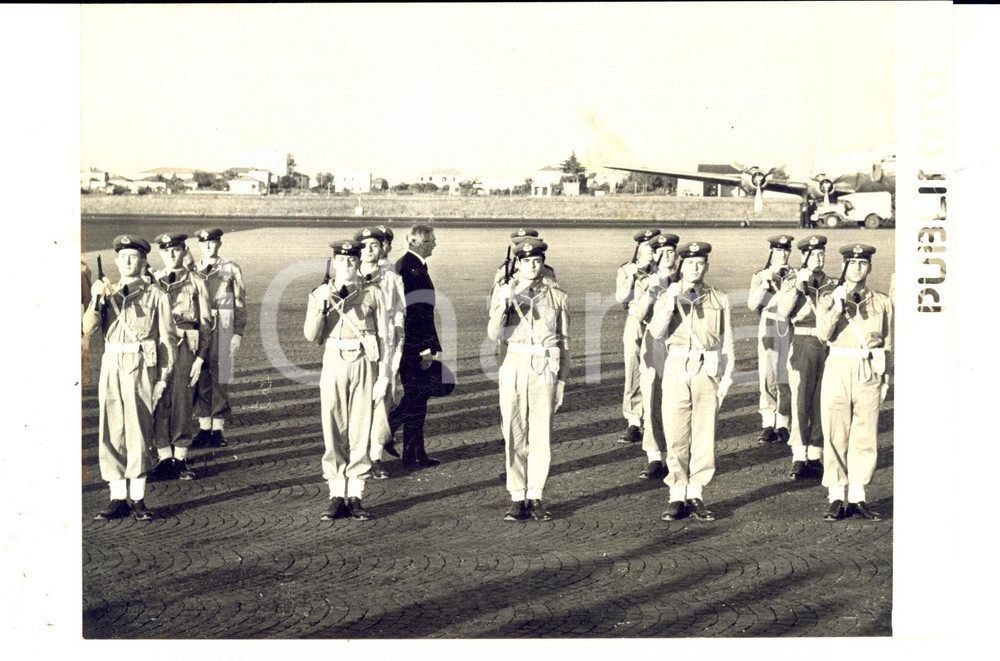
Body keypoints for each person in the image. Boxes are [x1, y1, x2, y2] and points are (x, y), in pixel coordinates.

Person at [83, 235, 176, 521]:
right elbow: (87, 329)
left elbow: (168, 342)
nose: (127, 261)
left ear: (144, 261)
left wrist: (162, 379)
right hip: (112, 364)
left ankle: (137, 498)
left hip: (141, 368)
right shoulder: (107, 294)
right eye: (122, 256)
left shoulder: (156, 295)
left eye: (133, 256)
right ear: (115, 261)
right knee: (111, 429)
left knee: (138, 429)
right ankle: (117, 497)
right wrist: (95, 299)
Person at [304, 239, 390, 521]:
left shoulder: (373, 293)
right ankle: (336, 494)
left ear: (358, 261)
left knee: (360, 428)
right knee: (333, 426)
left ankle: (356, 495)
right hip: (333, 362)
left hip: (364, 362)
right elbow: (310, 335)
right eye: (342, 260)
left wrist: (385, 376)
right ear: (334, 262)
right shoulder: (320, 293)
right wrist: (321, 306)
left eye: (353, 259)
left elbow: (385, 339)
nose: (348, 264)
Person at [648, 242, 734, 522]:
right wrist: (670, 302)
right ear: (680, 266)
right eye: (690, 263)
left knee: (704, 434)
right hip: (676, 364)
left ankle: (696, 492)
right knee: (676, 433)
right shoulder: (667, 295)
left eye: (700, 263)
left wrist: (727, 376)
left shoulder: (718, 298)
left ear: (706, 266)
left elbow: (726, 340)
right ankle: (677, 494)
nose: (695, 268)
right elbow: (657, 332)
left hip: (706, 368)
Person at [487, 238, 569, 521]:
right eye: (527, 262)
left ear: (543, 263)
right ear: (518, 264)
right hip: (514, 362)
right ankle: (517, 496)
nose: (533, 266)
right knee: (514, 431)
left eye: (538, 261)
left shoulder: (557, 296)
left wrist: (562, 381)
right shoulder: (505, 292)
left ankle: (536, 495)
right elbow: (494, 334)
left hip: (545, 366)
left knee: (541, 434)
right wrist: (504, 303)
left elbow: (565, 342)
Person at [815, 244, 893, 521]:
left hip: (868, 369)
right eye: (852, 263)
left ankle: (858, 495)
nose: (857, 268)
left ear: (870, 267)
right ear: (844, 267)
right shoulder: (828, 297)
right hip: (838, 364)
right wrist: (837, 306)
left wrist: (885, 377)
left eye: (862, 263)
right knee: (836, 430)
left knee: (865, 432)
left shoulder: (881, 301)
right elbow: (822, 334)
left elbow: (887, 341)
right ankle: (836, 496)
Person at [148, 233, 213, 481]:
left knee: (183, 401)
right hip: (161, 348)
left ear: (184, 251)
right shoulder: (154, 282)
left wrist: (200, 358)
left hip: (187, 347)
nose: (172, 255)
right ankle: (164, 458)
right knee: (159, 399)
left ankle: (181, 458)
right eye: (166, 251)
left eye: (176, 250)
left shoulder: (196, 282)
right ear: (161, 254)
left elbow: (206, 323)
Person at [777, 235, 836, 480]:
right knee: (800, 397)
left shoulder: (832, 282)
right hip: (802, 340)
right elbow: (783, 311)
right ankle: (799, 455)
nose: (818, 259)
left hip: (828, 343)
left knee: (822, 398)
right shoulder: (791, 281)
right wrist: (797, 287)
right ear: (803, 257)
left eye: (822, 254)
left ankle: (815, 454)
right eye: (813, 255)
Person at [386, 224, 444, 469]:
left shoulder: (413, 265)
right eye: (431, 240)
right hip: (413, 346)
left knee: (417, 400)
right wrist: (425, 349)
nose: (435, 244)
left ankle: (413, 453)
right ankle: (390, 428)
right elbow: (414, 313)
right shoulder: (410, 268)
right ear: (417, 241)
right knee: (416, 399)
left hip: (412, 344)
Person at [356, 227, 406, 480]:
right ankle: (357, 455)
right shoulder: (350, 276)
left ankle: (375, 456)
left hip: (384, 346)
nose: (369, 250)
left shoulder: (391, 277)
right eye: (365, 245)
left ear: (382, 248)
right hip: (358, 348)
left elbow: (399, 314)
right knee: (358, 401)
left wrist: (397, 348)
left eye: (375, 245)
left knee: (382, 401)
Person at [191, 228, 246, 448]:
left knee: (221, 378)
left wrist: (237, 333)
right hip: (201, 329)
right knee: (202, 378)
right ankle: (204, 428)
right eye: (204, 243)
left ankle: (218, 430)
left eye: (212, 243)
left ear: (219, 244)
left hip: (223, 328)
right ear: (200, 246)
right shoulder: (193, 270)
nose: (208, 247)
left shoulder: (231, 269)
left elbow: (240, 302)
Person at [636, 233, 680, 479]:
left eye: (671, 252)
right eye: (661, 253)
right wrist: (651, 291)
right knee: (652, 396)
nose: (666, 257)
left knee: (677, 398)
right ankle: (654, 456)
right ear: (653, 255)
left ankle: (677, 452)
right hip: (654, 340)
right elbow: (638, 315)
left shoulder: (685, 278)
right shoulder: (645, 280)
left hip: (679, 342)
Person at [614, 228, 661, 444]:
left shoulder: (664, 269)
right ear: (638, 248)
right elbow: (621, 298)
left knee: (658, 370)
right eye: (646, 246)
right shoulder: (626, 269)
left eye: (654, 246)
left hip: (659, 321)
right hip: (635, 320)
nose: (651, 250)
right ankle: (634, 421)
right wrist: (631, 277)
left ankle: (656, 419)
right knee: (633, 368)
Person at [747, 235, 795, 445]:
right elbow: (752, 304)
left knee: (786, 373)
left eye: (786, 250)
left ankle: (783, 422)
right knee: (768, 374)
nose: (783, 254)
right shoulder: (760, 275)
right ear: (771, 252)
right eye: (778, 250)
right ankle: (768, 420)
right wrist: (765, 284)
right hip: (769, 323)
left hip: (789, 324)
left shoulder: (796, 275)